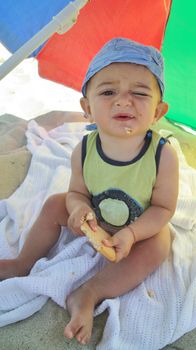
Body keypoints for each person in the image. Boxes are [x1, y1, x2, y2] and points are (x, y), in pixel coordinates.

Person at [0, 38, 179, 345]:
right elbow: (76, 193)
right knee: (55, 203)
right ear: (87, 108)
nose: (124, 101)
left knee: (161, 241)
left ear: (158, 111)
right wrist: (78, 208)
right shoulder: (84, 149)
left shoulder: (162, 155)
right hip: (95, 220)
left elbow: (163, 209)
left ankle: (90, 292)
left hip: (137, 226)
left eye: (139, 93)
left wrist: (133, 234)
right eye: (108, 92)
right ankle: (22, 262)